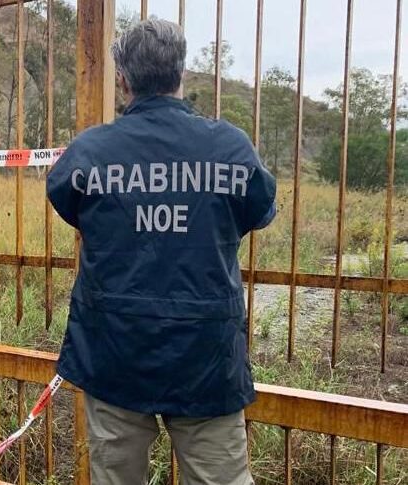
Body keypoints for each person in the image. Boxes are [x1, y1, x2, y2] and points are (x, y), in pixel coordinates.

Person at [47, 19, 276, 485]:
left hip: (114, 351)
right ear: (180, 74)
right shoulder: (230, 147)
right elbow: (259, 211)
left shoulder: (89, 152)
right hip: (205, 357)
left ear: (122, 80)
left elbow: (68, 203)